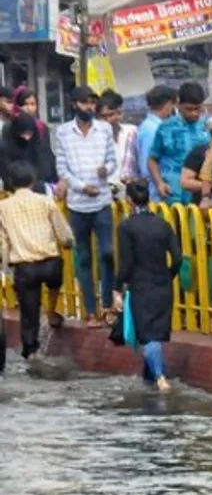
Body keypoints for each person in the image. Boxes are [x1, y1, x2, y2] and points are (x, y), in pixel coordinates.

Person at [56, 86, 118, 328]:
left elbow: (112, 160)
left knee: (107, 253)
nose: (89, 107)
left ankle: (108, 307)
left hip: (102, 201)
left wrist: (107, 170)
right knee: (83, 258)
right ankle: (91, 312)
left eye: (93, 103)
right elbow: (62, 169)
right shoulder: (63, 132)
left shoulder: (103, 129)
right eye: (85, 103)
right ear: (74, 105)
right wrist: (82, 186)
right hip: (78, 204)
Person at [114, 179, 182, 392]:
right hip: (162, 285)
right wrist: (168, 275)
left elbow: (126, 264)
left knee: (149, 336)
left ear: (128, 200)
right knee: (153, 333)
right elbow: (178, 257)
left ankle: (161, 379)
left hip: (141, 286)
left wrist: (117, 288)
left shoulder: (126, 227)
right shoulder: (163, 224)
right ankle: (149, 378)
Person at [0, 160, 72, 361]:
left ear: (11, 182)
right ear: (33, 180)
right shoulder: (45, 201)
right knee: (55, 282)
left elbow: (3, 242)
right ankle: (50, 312)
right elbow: (64, 233)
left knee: (28, 314)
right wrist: (67, 242)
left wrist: (6, 268)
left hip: (25, 267)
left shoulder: (3, 207)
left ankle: (31, 352)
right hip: (51, 262)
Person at [148, 81, 208, 205]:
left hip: (202, 192)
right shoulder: (165, 128)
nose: (194, 113)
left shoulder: (207, 127)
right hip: (174, 194)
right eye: (189, 109)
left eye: (197, 109)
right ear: (178, 104)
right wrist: (160, 183)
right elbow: (152, 159)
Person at [136, 85, 177, 201]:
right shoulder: (152, 130)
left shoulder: (155, 126)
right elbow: (147, 165)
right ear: (169, 105)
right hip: (157, 193)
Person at [1, 112, 56, 193]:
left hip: (42, 193)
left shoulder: (40, 146)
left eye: (29, 133)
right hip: (14, 193)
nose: (26, 138)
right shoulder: (5, 149)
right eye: (23, 134)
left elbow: (49, 171)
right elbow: (6, 175)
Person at [96, 89, 137, 195]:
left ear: (119, 113)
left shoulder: (131, 132)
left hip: (131, 194)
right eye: (103, 117)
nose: (108, 120)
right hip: (106, 195)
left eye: (111, 115)